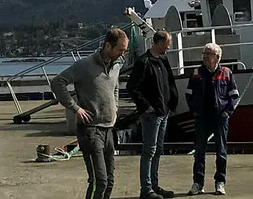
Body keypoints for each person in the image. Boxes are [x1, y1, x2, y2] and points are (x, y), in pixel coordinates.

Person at [51, 28, 129, 199]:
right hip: (90, 130)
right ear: (108, 46)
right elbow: (58, 82)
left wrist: (115, 108)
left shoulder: (116, 65)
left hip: (108, 129)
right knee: (99, 181)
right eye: (120, 50)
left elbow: (115, 87)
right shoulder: (85, 65)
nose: (123, 55)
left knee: (109, 180)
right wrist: (75, 108)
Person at [127, 29, 179, 199]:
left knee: (158, 150)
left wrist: (170, 104)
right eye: (168, 43)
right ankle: (146, 189)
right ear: (160, 43)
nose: (169, 47)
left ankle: (154, 186)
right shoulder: (144, 62)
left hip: (163, 112)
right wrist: (146, 106)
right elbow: (132, 87)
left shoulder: (162, 60)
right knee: (149, 150)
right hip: (151, 114)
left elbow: (169, 82)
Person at [185, 42, 239, 195]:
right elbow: (189, 94)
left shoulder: (227, 73)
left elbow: (233, 95)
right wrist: (194, 111)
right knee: (199, 151)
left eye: (209, 53)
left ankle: (220, 182)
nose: (205, 56)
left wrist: (227, 112)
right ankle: (198, 183)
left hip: (220, 118)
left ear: (217, 57)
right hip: (202, 117)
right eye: (204, 53)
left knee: (221, 151)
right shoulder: (196, 73)